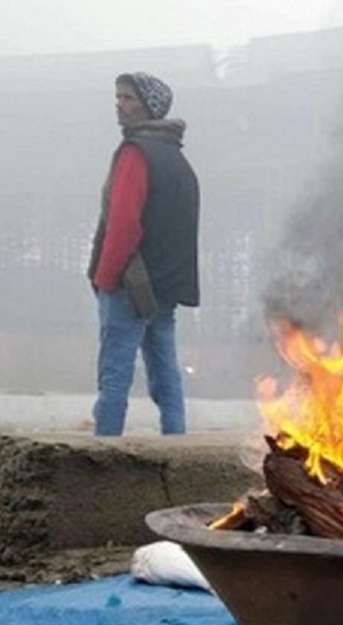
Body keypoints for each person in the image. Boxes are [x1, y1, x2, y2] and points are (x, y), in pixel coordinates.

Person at [87, 72, 200, 436]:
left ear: (150, 107)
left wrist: (105, 279)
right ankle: (176, 443)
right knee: (165, 370)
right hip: (165, 286)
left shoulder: (135, 154)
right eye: (118, 97)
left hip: (129, 284)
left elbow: (123, 224)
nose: (119, 105)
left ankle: (104, 448)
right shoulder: (178, 159)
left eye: (128, 98)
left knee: (114, 373)